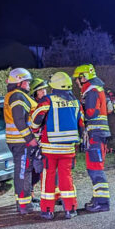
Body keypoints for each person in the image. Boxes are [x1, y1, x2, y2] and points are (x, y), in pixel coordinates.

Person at [30, 72, 84, 219]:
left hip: (50, 149)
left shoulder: (47, 101)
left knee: (48, 178)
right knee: (66, 178)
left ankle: (48, 210)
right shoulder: (75, 102)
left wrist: (35, 130)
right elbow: (81, 124)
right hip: (68, 149)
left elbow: (35, 120)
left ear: (54, 86)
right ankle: (71, 209)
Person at [73, 64, 112, 213]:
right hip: (97, 135)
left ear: (84, 77)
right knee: (93, 168)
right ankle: (98, 199)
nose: (77, 82)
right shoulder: (95, 89)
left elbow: (91, 113)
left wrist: (79, 109)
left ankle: (102, 202)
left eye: (78, 79)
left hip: (96, 135)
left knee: (95, 169)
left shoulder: (91, 91)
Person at [4, 68, 39, 215]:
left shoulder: (16, 95)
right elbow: (19, 120)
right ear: (19, 82)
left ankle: (25, 200)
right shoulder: (17, 96)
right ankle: (24, 205)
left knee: (25, 171)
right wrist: (30, 139)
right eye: (27, 82)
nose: (29, 85)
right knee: (23, 172)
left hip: (19, 141)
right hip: (21, 142)